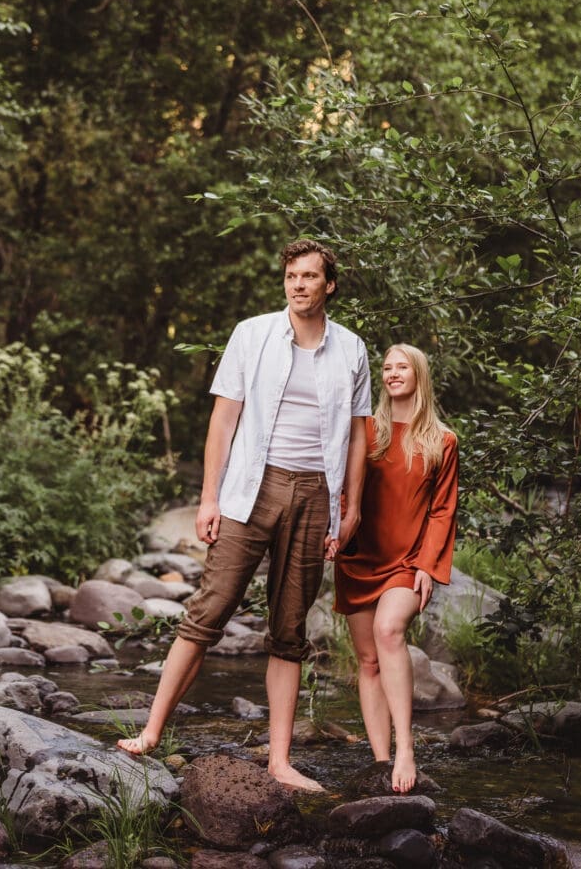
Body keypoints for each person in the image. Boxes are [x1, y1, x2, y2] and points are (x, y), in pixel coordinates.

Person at [118, 239, 371, 792]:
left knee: (289, 628)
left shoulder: (352, 350)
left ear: (329, 285)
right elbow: (223, 421)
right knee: (208, 610)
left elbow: (357, 436)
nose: (298, 285)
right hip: (251, 489)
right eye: (290, 276)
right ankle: (151, 733)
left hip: (316, 495)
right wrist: (210, 497)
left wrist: (349, 508)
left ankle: (279, 762)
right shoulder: (251, 334)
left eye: (309, 276)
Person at [334, 343, 458, 794]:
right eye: (386, 368)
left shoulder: (442, 439)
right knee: (367, 661)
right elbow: (344, 489)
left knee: (389, 631)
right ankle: (380, 759)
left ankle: (405, 748)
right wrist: (337, 532)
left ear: (419, 375)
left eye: (401, 367)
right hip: (359, 556)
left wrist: (428, 565)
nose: (391, 374)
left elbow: (443, 510)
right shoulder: (365, 430)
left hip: (407, 562)